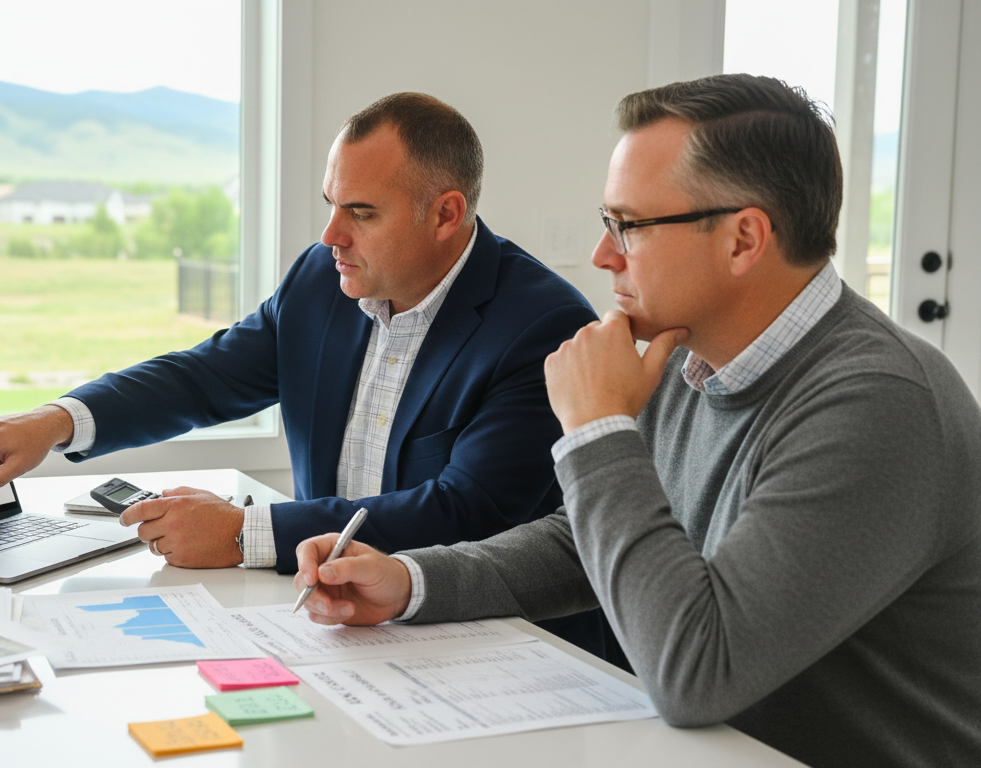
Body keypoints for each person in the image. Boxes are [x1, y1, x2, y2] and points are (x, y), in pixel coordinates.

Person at [292, 74, 981, 767]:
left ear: (744, 240)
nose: (602, 256)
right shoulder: (693, 354)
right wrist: (413, 582)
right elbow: (586, 544)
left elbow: (697, 674)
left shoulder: (879, 403)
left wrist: (598, 431)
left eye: (629, 225)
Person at [0, 92, 607, 653]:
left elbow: (468, 510)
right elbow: (208, 375)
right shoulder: (322, 279)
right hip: (336, 623)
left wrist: (245, 534)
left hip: (493, 646)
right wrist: (56, 421)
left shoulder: (540, 326)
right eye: (331, 204)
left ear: (446, 214)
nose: (330, 234)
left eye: (361, 212)